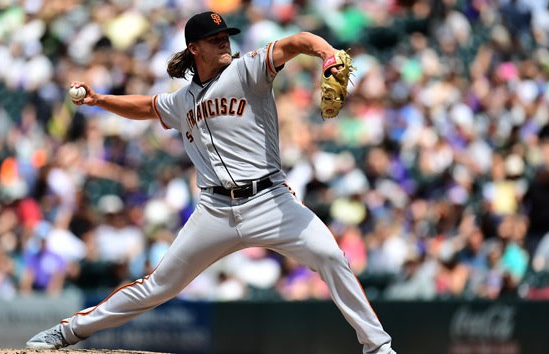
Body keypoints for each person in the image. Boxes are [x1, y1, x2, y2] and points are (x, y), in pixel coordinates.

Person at [26, 11, 396, 354]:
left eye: (226, 36)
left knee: (331, 256)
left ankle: (378, 347)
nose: (224, 42)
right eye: (215, 38)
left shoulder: (247, 71)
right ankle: (69, 331)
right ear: (194, 48)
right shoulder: (182, 100)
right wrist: (100, 100)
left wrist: (327, 53)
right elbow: (148, 106)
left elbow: (296, 41)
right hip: (215, 210)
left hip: (270, 201)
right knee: (158, 286)